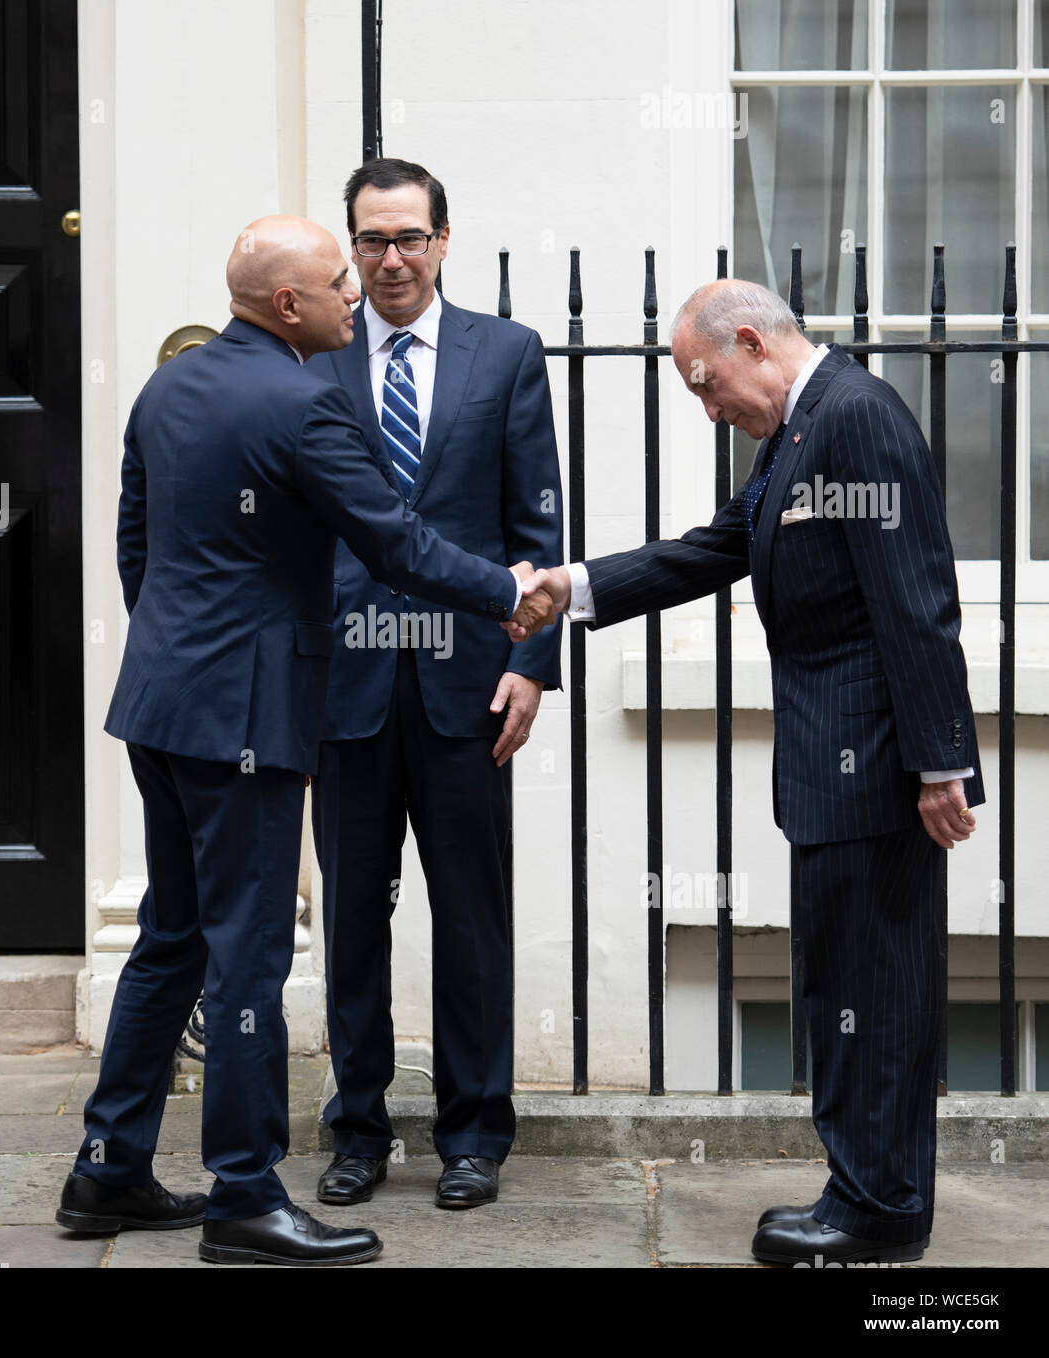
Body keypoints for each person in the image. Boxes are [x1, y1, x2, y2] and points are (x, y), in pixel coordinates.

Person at [55, 215, 552, 1266]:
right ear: (287, 306)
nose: (355, 290)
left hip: (159, 703)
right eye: (336, 280)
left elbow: (134, 545)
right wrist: (508, 590)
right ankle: (244, 1194)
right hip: (244, 716)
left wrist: (183, 654)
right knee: (247, 955)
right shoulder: (300, 401)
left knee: (172, 935)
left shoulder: (169, 387)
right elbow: (397, 541)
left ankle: (107, 1165)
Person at [513, 278, 982, 1266]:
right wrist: (577, 587)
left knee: (876, 989)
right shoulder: (800, 429)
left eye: (704, 381)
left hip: (877, 770)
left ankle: (878, 1209)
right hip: (834, 767)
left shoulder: (854, 420)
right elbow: (719, 547)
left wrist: (942, 761)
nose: (706, 403)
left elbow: (917, 599)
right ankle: (862, 1188)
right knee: (845, 985)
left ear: (750, 341)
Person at [306, 158, 563, 1212]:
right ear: (350, 249)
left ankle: (471, 1132)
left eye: (409, 237)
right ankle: (356, 1129)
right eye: (370, 241)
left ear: (444, 240)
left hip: (468, 683)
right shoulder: (312, 356)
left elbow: (536, 528)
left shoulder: (504, 354)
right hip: (345, 683)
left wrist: (529, 664)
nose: (391, 259)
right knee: (352, 919)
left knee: (470, 916)